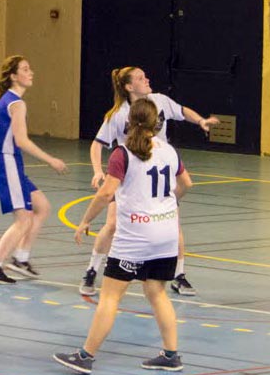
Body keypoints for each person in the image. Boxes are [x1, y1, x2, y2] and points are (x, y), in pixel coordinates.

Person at [53, 99, 192, 374]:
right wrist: (166, 202)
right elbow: (186, 184)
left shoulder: (123, 154)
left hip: (135, 239)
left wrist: (85, 220)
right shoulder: (169, 151)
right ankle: (171, 354)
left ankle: (86, 355)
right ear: (157, 123)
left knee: (110, 296)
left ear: (128, 122)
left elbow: (106, 193)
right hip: (166, 234)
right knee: (157, 292)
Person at [80, 67, 216, 297]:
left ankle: (179, 275)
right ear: (129, 87)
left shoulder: (160, 101)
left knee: (174, 225)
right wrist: (97, 171)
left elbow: (183, 111)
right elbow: (97, 144)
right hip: (129, 178)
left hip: (156, 175)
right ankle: (92, 270)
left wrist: (201, 120)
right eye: (141, 78)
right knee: (112, 225)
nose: (147, 80)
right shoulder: (117, 115)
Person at [0, 56, 68, 284]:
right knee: (23, 220)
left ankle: (21, 258)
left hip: (5, 162)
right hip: (6, 162)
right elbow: (22, 141)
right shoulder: (16, 103)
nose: (31, 72)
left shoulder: (3, 100)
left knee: (42, 207)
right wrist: (50, 160)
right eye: (25, 69)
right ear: (14, 76)